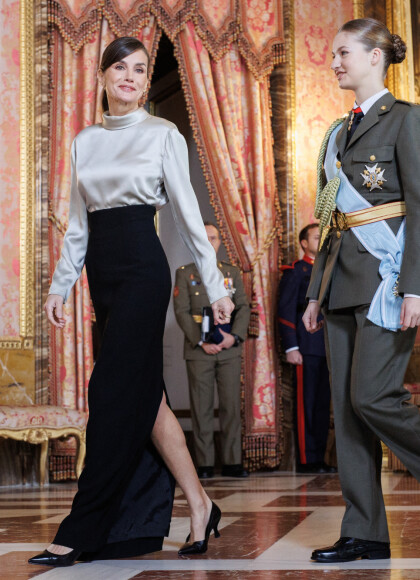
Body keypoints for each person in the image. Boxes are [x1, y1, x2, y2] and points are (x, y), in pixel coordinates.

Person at [29, 37, 234, 568]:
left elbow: (190, 218)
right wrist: (60, 284)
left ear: (146, 83)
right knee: (147, 397)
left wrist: (214, 288)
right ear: (102, 78)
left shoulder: (163, 134)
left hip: (144, 268)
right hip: (103, 271)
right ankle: (200, 503)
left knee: (111, 391)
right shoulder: (83, 142)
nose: (129, 76)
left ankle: (83, 526)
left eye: (139, 70)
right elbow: (77, 225)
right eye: (118, 67)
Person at [302, 18, 420, 563]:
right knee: (347, 415)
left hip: (387, 281)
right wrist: (313, 294)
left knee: (371, 397)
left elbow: (418, 210)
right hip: (340, 284)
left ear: (375, 56)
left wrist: (416, 287)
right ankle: (365, 532)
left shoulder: (407, 121)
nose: (334, 62)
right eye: (332, 54)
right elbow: (333, 218)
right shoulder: (337, 131)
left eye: (343, 52)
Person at [173, 222, 250, 479]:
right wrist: (201, 341)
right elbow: (181, 311)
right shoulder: (185, 273)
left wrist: (234, 337)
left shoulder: (231, 272)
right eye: (204, 237)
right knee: (201, 408)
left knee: (230, 407)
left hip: (229, 350)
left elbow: (243, 307)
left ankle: (232, 462)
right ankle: (204, 464)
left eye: (214, 237)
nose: (210, 241)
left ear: (219, 242)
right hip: (199, 350)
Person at [278, 223, 334, 474]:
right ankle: (306, 459)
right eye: (315, 236)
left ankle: (320, 457)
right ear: (303, 243)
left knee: (323, 405)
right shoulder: (296, 271)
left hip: (328, 345)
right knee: (307, 405)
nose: (320, 239)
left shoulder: (331, 268)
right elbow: (286, 311)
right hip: (306, 345)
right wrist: (291, 346)